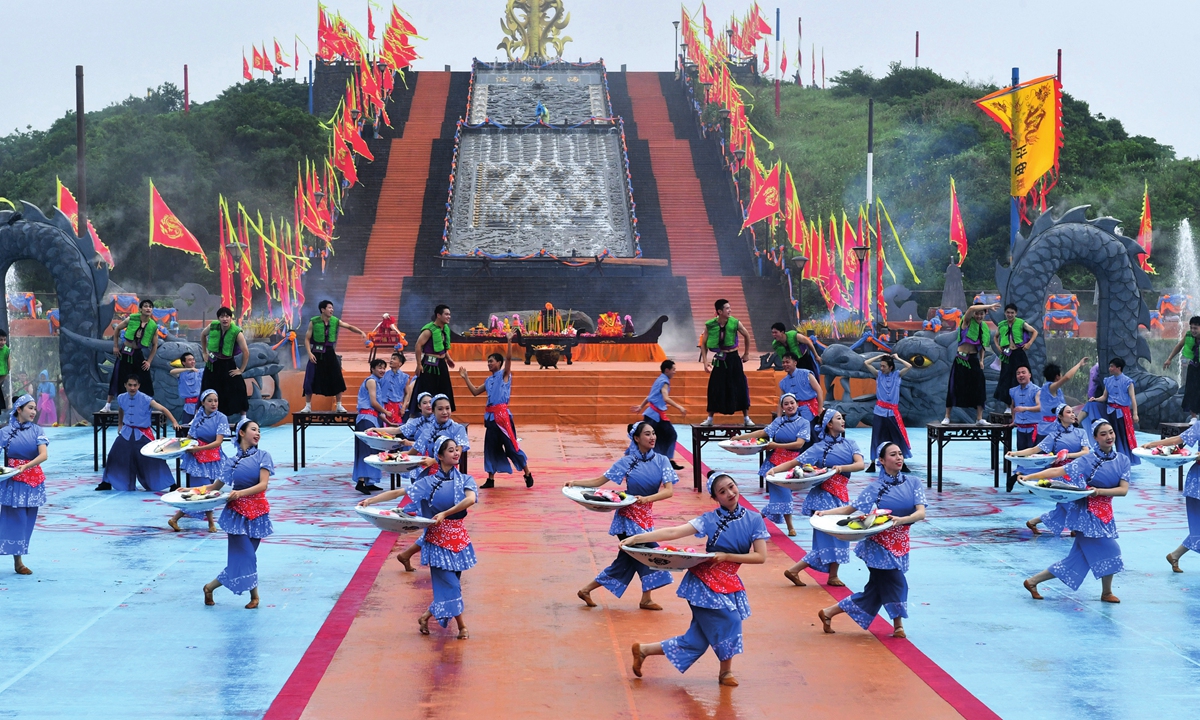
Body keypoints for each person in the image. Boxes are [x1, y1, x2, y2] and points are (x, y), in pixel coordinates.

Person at [627, 471, 769, 687]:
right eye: (722, 491)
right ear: (715, 498)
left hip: (728, 581)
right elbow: (674, 532)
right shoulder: (709, 520)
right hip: (703, 582)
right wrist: (638, 538)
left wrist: (727, 556)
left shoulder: (754, 519)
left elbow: (760, 557)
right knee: (731, 619)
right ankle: (725, 673)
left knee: (696, 641)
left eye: (731, 487)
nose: (730, 493)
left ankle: (643, 650)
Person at [359, 436, 477, 639]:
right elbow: (399, 492)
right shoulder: (429, 483)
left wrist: (445, 514)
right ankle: (462, 626)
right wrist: (371, 500)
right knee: (451, 584)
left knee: (452, 583)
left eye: (456, 449)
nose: (456, 453)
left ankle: (425, 617)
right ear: (439, 456)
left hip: (459, 539)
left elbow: (471, 499)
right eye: (450, 450)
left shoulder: (466, 479)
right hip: (437, 539)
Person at [816, 442, 926, 638]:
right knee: (898, 582)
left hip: (901, 544)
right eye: (893, 455)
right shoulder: (875, 488)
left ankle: (828, 612)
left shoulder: (914, 483)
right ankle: (898, 626)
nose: (899, 457)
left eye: (900, 454)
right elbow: (850, 510)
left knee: (875, 591)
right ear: (882, 461)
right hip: (878, 546)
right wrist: (825, 513)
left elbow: (920, 513)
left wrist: (902, 520)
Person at [566, 421, 678, 611]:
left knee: (629, 560)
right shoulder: (627, 461)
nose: (652, 438)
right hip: (628, 517)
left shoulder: (662, 460)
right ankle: (645, 599)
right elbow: (600, 481)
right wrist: (575, 483)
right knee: (649, 553)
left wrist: (647, 499)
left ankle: (588, 590)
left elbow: (669, 492)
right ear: (636, 438)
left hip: (646, 516)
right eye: (647, 434)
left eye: (653, 434)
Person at [1020, 420, 1130, 603]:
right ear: (1095, 438)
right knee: (1112, 549)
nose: (1109, 437)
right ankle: (1106, 592)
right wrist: (1030, 476)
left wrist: (1100, 492)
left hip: (1105, 514)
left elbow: (1123, 490)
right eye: (1103, 434)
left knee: (1076, 560)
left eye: (1111, 432)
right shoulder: (1087, 460)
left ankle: (1032, 581)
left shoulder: (1123, 460)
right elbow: (1058, 471)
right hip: (1086, 513)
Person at [773, 409, 865, 588]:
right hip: (823, 496)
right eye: (838, 418)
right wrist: (775, 471)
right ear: (829, 424)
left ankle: (820, 573)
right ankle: (813, 572)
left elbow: (860, 465)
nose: (842, 421)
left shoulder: (851, 444)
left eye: (842, 418)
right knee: (828, 537)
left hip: (841, 496)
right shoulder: (818, 448)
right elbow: (795, 463)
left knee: (840, 535)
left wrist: (840, 468)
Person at [200, 419, 274, 609]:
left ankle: (209, 587)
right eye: (253, 429)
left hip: (258, 513)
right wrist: (192, 489)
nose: (257, 433)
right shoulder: (230, 462)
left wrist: (240, 493)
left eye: (259, 430)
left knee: (244, 558)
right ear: (241, 433)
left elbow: (263, 484)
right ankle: (255, 597)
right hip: (236, 515)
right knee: (247, 556)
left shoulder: (264, 456)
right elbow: (216, 486)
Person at [391, 395, 470, 572]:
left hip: (449, 481)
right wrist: (398, 460)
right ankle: (436, 561)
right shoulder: (427, 429)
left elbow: (459, 451)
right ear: (432, 411)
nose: (445, 412)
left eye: (448, 408)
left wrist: (434, 460)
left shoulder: (457, 429)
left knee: (442, 523)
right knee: (437, 523)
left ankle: (407, 555)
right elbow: (415, 450)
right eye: (440, 408)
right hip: (429, 482)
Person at [459, 332, 534, 489]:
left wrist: (508, 341)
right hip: (491, 419)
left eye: (491, 361)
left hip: (503, 418)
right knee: (490, 448)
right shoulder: (488, 380)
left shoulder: (504, 375)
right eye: (488, 362)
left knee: (511, 447)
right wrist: (465, 377)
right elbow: (474, 392)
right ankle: (491, 479)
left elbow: (508, 359)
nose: (489, 364)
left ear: (499, 363)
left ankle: (527, 472)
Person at [731, 394, 810, 536]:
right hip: (774, 463)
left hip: (792, 464)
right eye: (786, 404)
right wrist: (740, 437)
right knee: (783, 495)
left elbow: (799, 443)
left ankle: (752, 521)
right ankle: (790, 526)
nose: (790, 406)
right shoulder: (778, 421)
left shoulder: (804, 423)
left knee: (781, 497)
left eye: (792, 403)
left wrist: (775, 444)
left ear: (797, 404)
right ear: (782, 407)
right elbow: (763, 432)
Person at [1012, 403, 1092, 535]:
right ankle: (1075, 527)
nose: (1073, 414)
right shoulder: (1053, 436)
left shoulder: (1081, 432)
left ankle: (1034, 522)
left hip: (1078, 473)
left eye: (1073, 412)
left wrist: (1067, 455)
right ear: (1060, 416)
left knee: (1074, 502)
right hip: (1060, 474)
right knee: (1069, 501)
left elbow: (1086, 452)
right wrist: (1014, 453)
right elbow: (1034, 450)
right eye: (1068, 412)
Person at [95, 376, 180, 491]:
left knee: (153, 457)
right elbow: (121, 410)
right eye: (130, 385)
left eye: (135, 385)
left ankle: (171, 484)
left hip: (142, 433)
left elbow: (163, 409)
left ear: (139, 386)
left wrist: (174, 421)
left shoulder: (146, 399)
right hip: (126, 432)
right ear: (125, 385)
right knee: (114, 455)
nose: (132, 388)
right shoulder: (121, 397)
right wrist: (120, 424)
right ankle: (107, 482)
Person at [1142, 421, 1200, 572]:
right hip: (1198, 481)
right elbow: (1178, 440)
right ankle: (1175, 555)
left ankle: (1175, 555)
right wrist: (1153, 444)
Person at [0, 395, 48, 575]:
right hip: (13, 480)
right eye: (30, 408)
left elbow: (43, 455)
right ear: (19, 409)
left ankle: (18, 558)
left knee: (27, 522)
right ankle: (18, 562)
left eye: (35, 408)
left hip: (33, 481)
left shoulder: (38, 431)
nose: (34, 412)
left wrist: (26, 466)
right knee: (15, 520)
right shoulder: (5, 432)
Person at [169, 389, 228, 532]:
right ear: (203, 403)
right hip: (197, 460)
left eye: (216, 400)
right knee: (202, 490)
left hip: (213, 458)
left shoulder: (221, 417)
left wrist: (200, 448)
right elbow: (189, 438)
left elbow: (218, 442)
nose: (213, 404)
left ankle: (175, 519)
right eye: (210, 401)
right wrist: (176, 447)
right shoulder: (198, 417)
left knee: (206, 491)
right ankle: (210, 524)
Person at [302, 300, 369, 413]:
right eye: (329, 308)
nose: (332, 310)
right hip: (316, 353)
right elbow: (307, 339)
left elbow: (348, 326)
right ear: (323, 310)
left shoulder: (335, 321)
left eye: (332, 308)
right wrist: (309, 353)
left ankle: (339, 405)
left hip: (329, 352)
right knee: (310, 377)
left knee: (337, 377)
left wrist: (361, 332)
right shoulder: (314, 322)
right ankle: (307, 406)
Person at [941, 302, 1000, 425]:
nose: (979, 316)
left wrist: (982, 360)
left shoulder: (984, 328)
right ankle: (947, 416)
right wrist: (988, 306)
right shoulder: (967, 322)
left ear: (985, 315)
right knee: (954, 387)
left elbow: (982, 346)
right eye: (977, 314)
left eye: (981, 314)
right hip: (961, 359)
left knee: (979, 387)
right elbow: (971, 308)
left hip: (973, 359)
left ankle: (979, 418)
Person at [700, 299, 753, 426]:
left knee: (739, 384)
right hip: (719, 358)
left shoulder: (735, 322)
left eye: (730, 308)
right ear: (719, 311)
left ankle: (746, 418)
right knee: (715, 386)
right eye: (727, 308)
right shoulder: (710, 325)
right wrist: (705, 362)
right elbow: (703, 343)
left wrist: (746, 353)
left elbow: (747, 335)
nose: (730, 310)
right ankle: (710, 419)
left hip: (733, 358)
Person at [631, 359, 688, 471]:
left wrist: (641, 406)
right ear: (667, 370)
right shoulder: (664, 382)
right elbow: (666, 398)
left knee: (657, 438)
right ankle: (665, 460)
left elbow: (649, 397)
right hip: (655, 416)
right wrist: (680, 407)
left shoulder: (659, 379)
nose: (674, 372)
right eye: (673, 370)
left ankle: (661, 460)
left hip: (652, 414)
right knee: (669, 435)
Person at [104, 299, 160, 409]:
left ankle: (147, 405)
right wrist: (115, 346)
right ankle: (107, 405)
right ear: (141, 309)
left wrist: (149, 361)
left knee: (145, 378)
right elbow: (117, 329)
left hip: (138, 354)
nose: (148, 308)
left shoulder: (153, 326)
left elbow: (154, 345)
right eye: (145, 306)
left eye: (150, 307)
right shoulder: (132, 318)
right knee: (117, 376)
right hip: (124, 352)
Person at [199, 307, 250, 420]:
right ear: (218, 318)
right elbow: (202, 335)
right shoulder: (213, 326)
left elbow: (246, 351)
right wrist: (204, 353)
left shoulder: (237, 332)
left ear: (231, 318)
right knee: (207, 387)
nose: (225, 319)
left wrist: (241, 369)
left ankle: (243, 417)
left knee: (239, 387)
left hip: (228, 363)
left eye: (227, 316)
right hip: (213, 362)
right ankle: (200, 415)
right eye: (222, 316)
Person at [864, 354, 913, 470]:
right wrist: (880, 356)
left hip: (892, 413)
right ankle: (872, 462)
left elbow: (909, 366)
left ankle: (902, 462)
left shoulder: (897, 375)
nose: (881, 368)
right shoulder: (878, 375)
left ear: (890, 367)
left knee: (897, 437)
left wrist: (897, 358)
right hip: (879, 411)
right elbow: (866, 363)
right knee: (876, 437)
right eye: (881, 366)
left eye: (884, 366)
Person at [1087, 358, 1139, 465]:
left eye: (1112, 366)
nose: (1110, 368)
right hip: (1110, 411)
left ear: (1118, 368)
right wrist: (1095, 399)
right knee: (1109, 435)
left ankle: (1124, 460)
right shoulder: (1108, 380)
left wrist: (1135, 414)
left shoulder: (1128, 382)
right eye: (1110, 366)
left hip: (1122, 413)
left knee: (1123, 436)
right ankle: (1107, 456)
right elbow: (1104, 397)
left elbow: (1133, 399)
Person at [409, 305, 457, 416]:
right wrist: (419, 364)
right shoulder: (428, 330)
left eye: (449, 314)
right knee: (426, 389)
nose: (449, 316)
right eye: (446, 314)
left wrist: (448, 358)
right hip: (429, 364)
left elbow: (443, 347)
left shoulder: (445, 329)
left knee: (444, 389)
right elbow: (418, 345)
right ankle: (420, 414)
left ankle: (441, 414)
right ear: (438, 315)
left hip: (441, 364)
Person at [353, 359, 389, 495]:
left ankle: (369, 481)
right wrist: (386, 412)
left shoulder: (377, 383)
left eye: (384, 368)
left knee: (373, 450)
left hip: (373, 419)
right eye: (379, 367)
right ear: (372, 369)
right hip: (366, 420)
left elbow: (376, 410)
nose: (382, 370)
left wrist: (389, 423)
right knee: (365, 450)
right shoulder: (371, 381)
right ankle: (361, 481)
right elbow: (373, 403)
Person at [1005, 366, 1042, 491]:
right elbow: (1013, 405)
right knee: (1021, 456)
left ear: (1029, 375)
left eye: (1023, 373)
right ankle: (1021, 477)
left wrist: (1025, 408)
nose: (1021, 375)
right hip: (1020, 429)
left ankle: (1020, 477)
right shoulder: (1013, 391)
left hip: (1034, 429)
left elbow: (1040, 407)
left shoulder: (1036, 390)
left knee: (1033, 457)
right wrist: (1014, 420)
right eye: (1018, 373)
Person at [993, 304, 1038, 403]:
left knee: (1022, 375)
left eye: (1012, 313)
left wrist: (1029, 343)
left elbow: (1035, 332)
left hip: (1018, 352)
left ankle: (1027, 400)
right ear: (1005, 313)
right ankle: (1008, 405)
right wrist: (997, 346)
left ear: (1016, 313)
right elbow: (995, 336)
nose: (1010, 315)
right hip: (1007, 354)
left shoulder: (1021, 323)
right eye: (1008, 312)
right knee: (1006, 377)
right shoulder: (1002, 324)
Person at [1037, 358, 1089, 437]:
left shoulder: (1057, 390)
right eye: (1061, 374)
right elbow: (1067, 377)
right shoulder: (1050, 387)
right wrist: (1079, 364)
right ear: (1057, 376)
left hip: (1057, 428)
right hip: (1048, 431)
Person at [1163, 316, 1200, 424]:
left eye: (1196, 328)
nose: (1193, 330)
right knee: (1190, 390)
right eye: (1191, 328)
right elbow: (1179, 345)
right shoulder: (1189, 335)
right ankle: (1193, 417)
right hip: (1194, 366)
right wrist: (1169, 359)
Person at [777, 352, 823, 427]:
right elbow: (780, 401)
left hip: (811, 411)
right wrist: (778, 418)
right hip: (793, 413)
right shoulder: (783, 382)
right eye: (783, 363)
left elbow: (819, 390)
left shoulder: (807, 374)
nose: (785, 364)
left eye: (787, 362)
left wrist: (820, 409)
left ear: (795, 363)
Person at [170, 351, 205, 424]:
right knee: (185, 428)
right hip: (188, 406)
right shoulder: (181, 374)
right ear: (183, 363)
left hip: (200, 406)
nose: (193, 361)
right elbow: (172, 372)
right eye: (190, 360)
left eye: (193, 359)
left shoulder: (200, 371)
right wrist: (189, 369)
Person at [380, 352, 413, 425]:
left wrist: (403, 407)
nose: (391, 360)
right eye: (391, 358)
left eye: (394, 359)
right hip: (383, 405)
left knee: (396, 427)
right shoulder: (383, 375)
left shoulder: (405, 377)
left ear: (400, 363)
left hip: (396, 406)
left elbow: (407, 393)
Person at [0, 328, 9, 413]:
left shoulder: (6, 350)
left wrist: (2, 379)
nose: (2, 342)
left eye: (4, 340)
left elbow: (8, 366)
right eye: (0, 340)